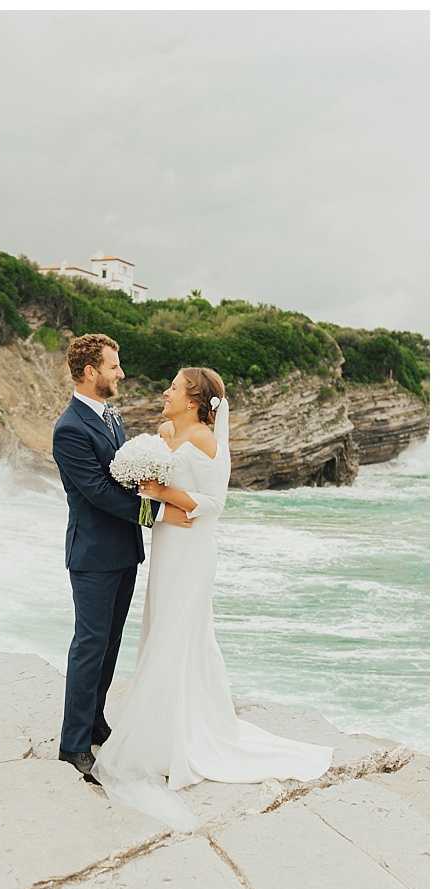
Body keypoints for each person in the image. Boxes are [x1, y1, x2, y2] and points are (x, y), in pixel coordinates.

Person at [91, 366, 335, 831]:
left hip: (192, 549)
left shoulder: (206, 440)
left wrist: (167, 494)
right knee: (161, 624)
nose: (165, 391)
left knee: (180, 632)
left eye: (174, 388)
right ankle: (162, 727)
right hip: (167, 543)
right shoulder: (169, 430)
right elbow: (158, 483)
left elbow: (215, 503)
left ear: (194, 399)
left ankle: (177, 736)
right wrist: (151, 494)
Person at [52, 333, 193, 782]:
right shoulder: (69, 428)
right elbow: (96, 492)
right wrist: (158, 512)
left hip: (123, 550)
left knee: (110, 644)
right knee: (89, 645)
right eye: (114, 366)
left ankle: (96, 721)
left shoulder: (111, 415)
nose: (121, 373)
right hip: (92, 554)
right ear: (91, 371)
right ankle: (72, 744)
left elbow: (123, 473)